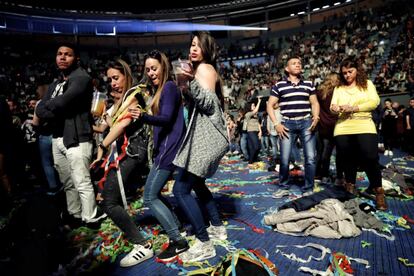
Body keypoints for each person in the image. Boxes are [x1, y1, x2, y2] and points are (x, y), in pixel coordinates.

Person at [90, 59, 153, 267]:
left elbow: (123, 124)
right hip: (129, 151)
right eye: (110, 80)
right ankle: (175, 225)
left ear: (126, 76)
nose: (113, 83)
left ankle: (142, 245)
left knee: (109, 201)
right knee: (148, 194)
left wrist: (102, 147)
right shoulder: (122, 100)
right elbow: (112, 125)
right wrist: (99, 120)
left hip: (133, 151)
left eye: (116, 78)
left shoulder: (133, 96)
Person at [128, 50, 189, 262]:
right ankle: (176, 223)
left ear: (163, 67)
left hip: (169, 149)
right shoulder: (160, 90)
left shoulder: (169, 87)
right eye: (147, 70)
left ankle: (178, 240)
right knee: (154, 193)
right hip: (164, 148)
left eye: (154, 68)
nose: (151, 72)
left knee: (149, 196)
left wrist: (143, 116)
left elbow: (165, 119)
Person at [172, 31, 228, 263]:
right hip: (204, 137)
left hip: (206, 139)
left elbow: (208, 103)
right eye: (191, 45)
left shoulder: (204, 69)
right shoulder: (201, 70)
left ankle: (205, 243)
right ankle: (216, 227)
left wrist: (188, 82)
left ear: (207, 50)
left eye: (198, 45)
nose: (193, 49)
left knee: (180, 190)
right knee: (198, 184)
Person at [35, 44, 105, 226]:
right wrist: (47, 108)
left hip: (77, 137)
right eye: (59, 54)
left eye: (68, 54)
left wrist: (46, 108)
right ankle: (74, 214)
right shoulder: (55, 83)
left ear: (77, 59)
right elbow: (42, 108)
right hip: (57, 137)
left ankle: (90, 217)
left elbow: (60, 103)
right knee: (67, 182)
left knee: (81, 180)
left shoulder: (81, 78)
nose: (63, 57)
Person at [330, 57, 387, 210]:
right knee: (347, 159)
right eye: (344, 73)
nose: (347, 75)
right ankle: (350, 187)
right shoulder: (338, 88)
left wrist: (354, 108)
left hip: (364, 124)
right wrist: (334, 108)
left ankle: (378, 191)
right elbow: (332, 106)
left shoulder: (367, 84)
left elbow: (374, 102)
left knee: (370, 158)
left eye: (350, 71)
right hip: (343, 126)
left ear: (357, 70)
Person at [267, 55, 320, 196]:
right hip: (287, 124)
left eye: (299, 63)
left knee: (310, 157)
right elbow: (270, 105)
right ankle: (283, 187)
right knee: (284, 158)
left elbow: (314, 103)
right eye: (294, 63)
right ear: (287, 68)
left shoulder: (308, 84)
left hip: (306, 122)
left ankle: (308, 188)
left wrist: (316, 116)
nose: (298, 65)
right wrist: (276, 123)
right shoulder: (279, 85)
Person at [315, 73, 342, 184]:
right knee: (335, 153)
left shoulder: (319, 92)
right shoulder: (338, 92)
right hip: (334, 126)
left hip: (321, 126)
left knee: (321, 153)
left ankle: (319, 174)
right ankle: (334, 176)